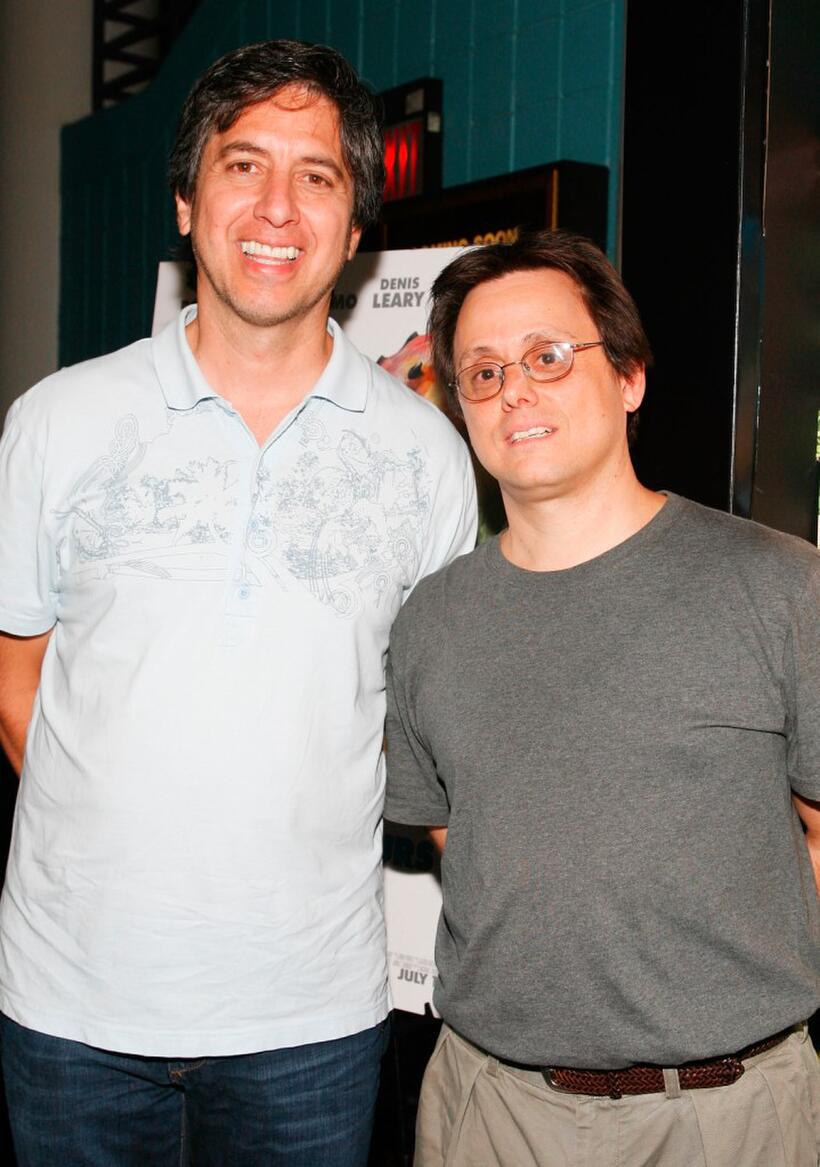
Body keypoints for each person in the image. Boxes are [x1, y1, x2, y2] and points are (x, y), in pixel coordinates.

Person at [0, 39, 476, 1167]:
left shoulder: (425, 457)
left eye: (317, 176)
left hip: (310, 1021)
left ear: (357, 229)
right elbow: (17, 685)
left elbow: (440, 722)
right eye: (242, 165)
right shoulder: (57, 422)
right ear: (184, 200)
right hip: (74, 1008)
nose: (276, 207)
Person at [384, 229, 820, 1167]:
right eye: (484, 372)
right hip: (488, 1111)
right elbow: (465, 840)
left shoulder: (781, 587)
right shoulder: (430, 622)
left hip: (726, 1116)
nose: (517, 391)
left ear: (629, 376)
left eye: (548, 355)